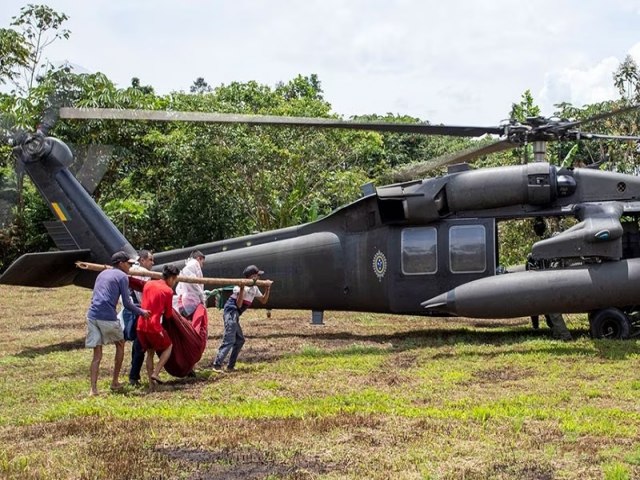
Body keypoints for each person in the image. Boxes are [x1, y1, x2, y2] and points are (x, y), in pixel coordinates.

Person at [86, 251, 150, 396]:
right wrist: (142, 312)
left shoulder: (102, 274)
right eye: (129, 264)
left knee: (97, 355)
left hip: (92, 315)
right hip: (107, 316)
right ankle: (115, 382)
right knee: (120, 343)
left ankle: (93, 389)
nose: (130, 267)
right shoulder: (122, 276)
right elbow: (127, 303)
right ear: (121, 263)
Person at [211, 265, 272, 372]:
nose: (259, 278)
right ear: (253, 276)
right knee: (229, 339)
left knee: (239, 340)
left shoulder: (255, 288)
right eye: (258, 275)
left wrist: (267, 289)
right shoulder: (240, 287)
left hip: (236, 314)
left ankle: (230, 366)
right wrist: (243, 289)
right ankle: (217, 364)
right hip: (231, 312)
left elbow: (263, 300)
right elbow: (239, 305)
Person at [136, 264, 180, 389]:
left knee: (150, 353)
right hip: (154, 326)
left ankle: (152, 386)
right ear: (171, 278)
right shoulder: (168, 291)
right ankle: (156, 373)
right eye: (175, 279)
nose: (174, 282)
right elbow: (168, 314)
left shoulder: (149, 284)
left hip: (141, 325)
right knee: (168, 346)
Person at [121, 250, 154, 387]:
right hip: (138, 311)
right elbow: (143, 294)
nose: (152, 263)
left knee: (136, 344)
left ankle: (134, 373)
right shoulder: (142, 273)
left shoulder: (128, 272)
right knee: (140, 344)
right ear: (142, 260)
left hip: (129, 310)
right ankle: (134, 376)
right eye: (150, 260)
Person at [175, 250, 206, 318]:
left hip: (187, 299)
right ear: (199, 258)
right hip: (191, 301)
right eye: (202, 262)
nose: (202, 265)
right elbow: (193, 283)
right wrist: (201, 296)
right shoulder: (194, 264)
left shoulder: (188, 266)